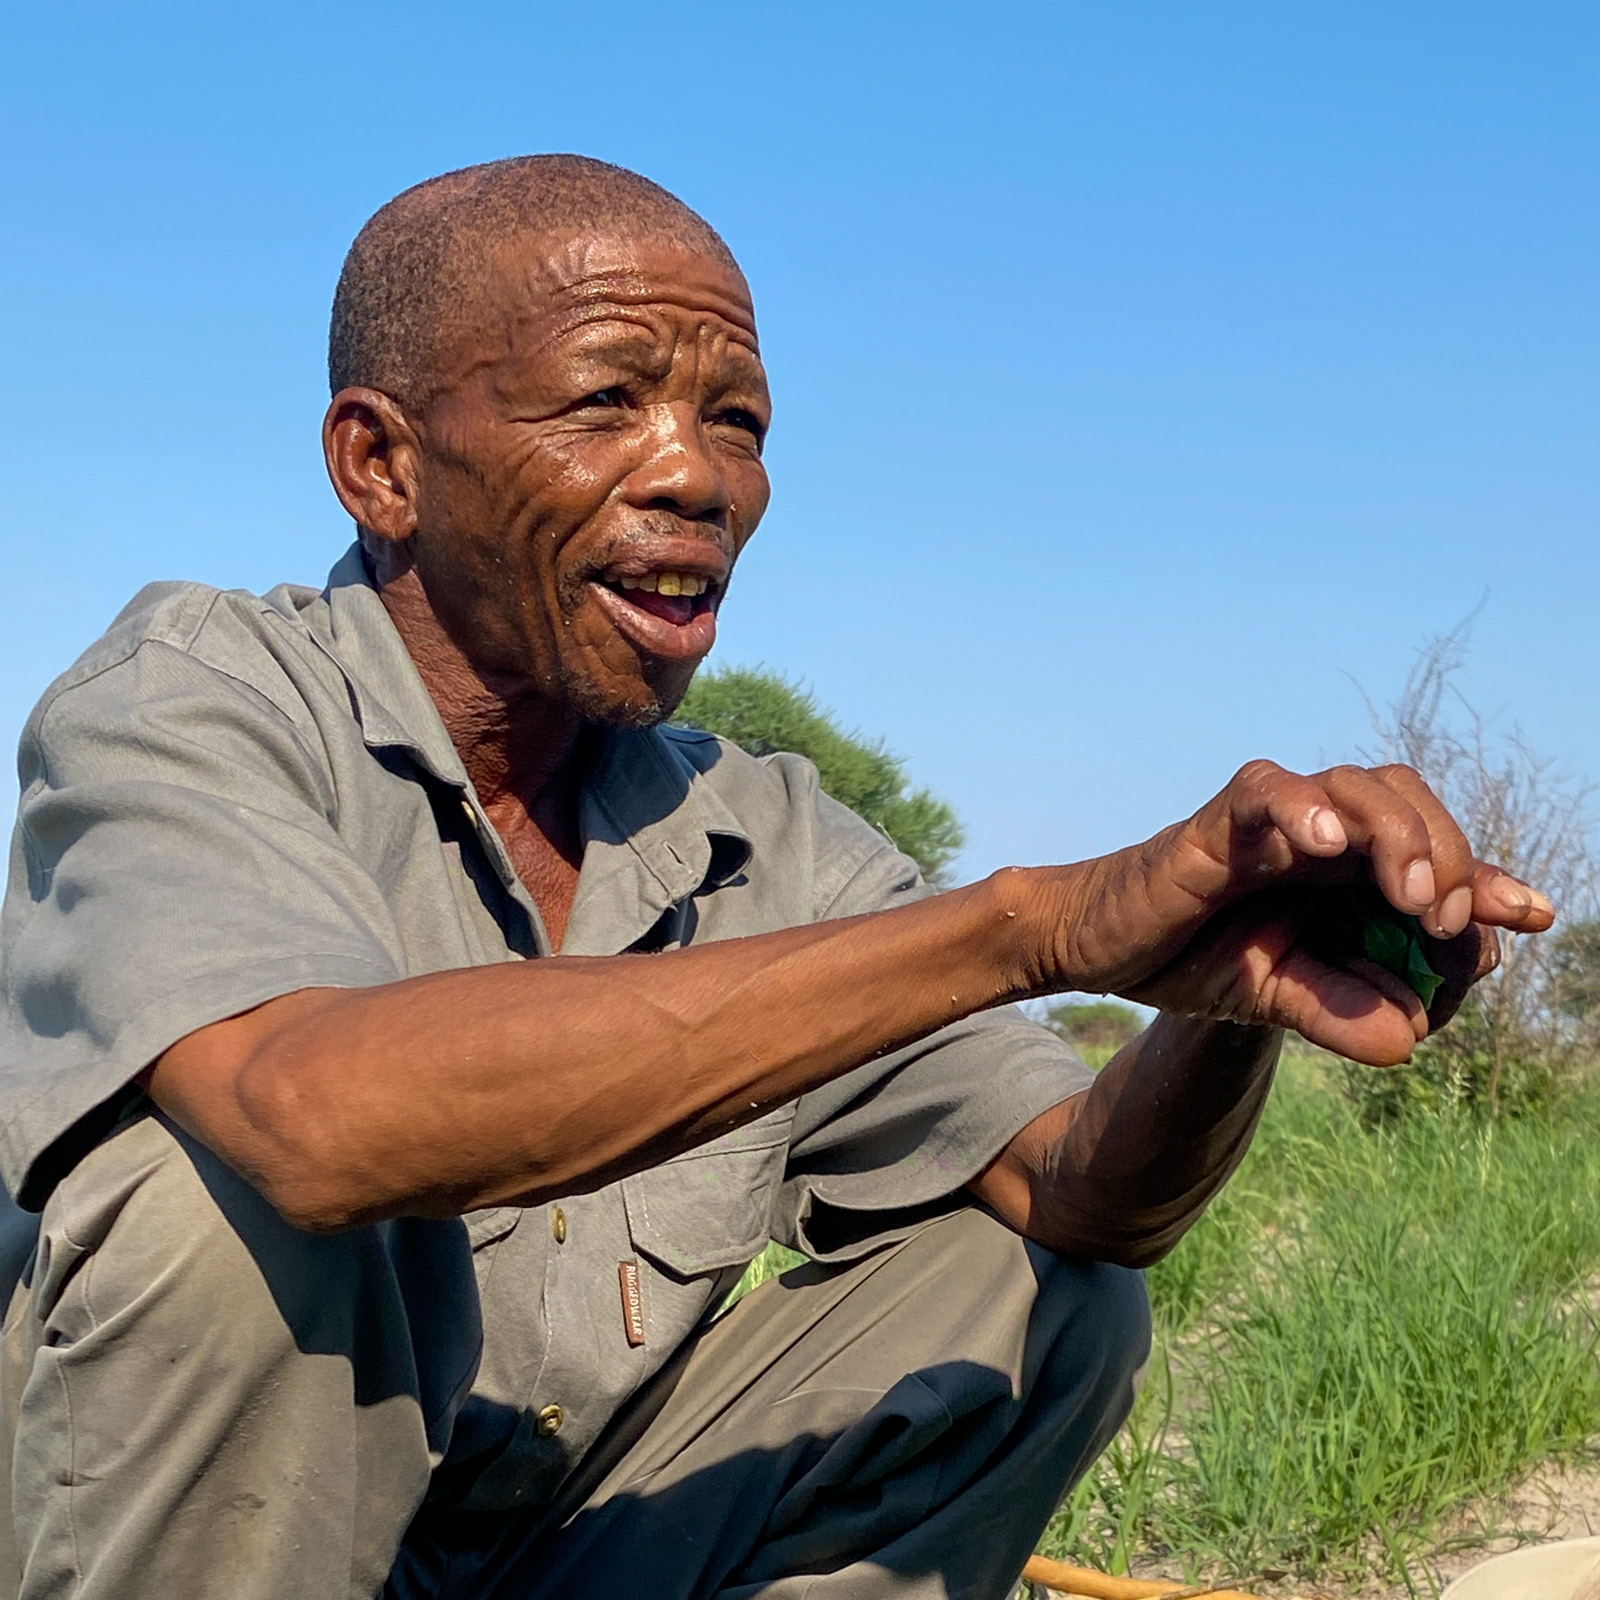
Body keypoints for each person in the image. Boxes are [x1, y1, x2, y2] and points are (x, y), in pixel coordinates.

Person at [0, 155, 1552, 1600]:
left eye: (737, 422)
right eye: (606, 402)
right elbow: (312, 1121)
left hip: (541, 1547)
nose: (699, 480)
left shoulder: (764, 830)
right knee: (227, 1206)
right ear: (380, 464)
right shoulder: (193, 695)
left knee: (1045, 1293)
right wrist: (1036, 926)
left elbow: (1086, 1194)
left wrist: (1229, 998)